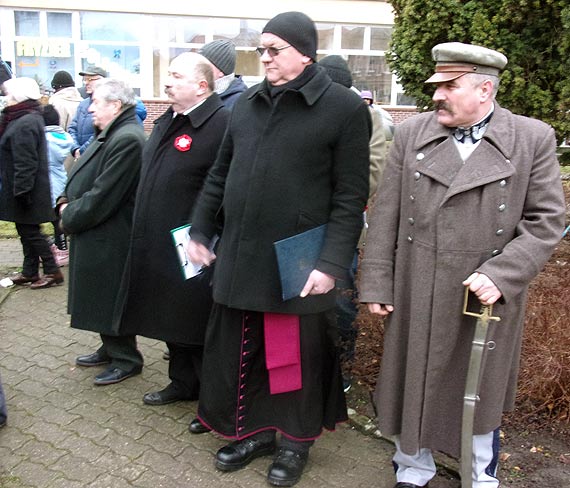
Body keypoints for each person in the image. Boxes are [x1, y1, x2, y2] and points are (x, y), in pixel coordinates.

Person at [358, 42, 566, 488]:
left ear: (485, 89)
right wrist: (377, 281)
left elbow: (548, 220)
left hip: (483, 295)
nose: (436, 95)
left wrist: (502, 274)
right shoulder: (412, 133)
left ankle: (479, 474)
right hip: (418, 283)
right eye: (437, 85)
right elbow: (386, 214)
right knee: (411, 377)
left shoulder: (531, 138)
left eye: (449, 86)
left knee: (478, 386)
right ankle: (412, 468)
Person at [187, 11, 370, 487]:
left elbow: (350, 197)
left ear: (304, 52)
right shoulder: (245, 105)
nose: (264, 58)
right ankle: (257, 431)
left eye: (274, 49)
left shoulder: (343, 109)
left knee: (291, 355)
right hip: (242, 252)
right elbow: (219, 175)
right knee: (242, 346)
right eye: (261, 50)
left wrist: (331, 264)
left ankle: (294, 441)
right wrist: (201, 231)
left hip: (298, 259)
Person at [117, 52, 229, 407]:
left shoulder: (220, 123)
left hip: (192, 244)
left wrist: (204, 232)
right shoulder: (169, 119)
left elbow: (221, 186)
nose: (167, 82)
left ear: (201, 85)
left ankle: (208, 398)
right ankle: (181, 383)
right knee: (169, 316)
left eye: (176, 76)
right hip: (157, 240)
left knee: (194, 321)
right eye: (168, 75)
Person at [58, 78, 146, 386]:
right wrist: (65, 198)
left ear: (115, 106)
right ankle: (110, 347)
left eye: (95, 102)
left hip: (111, 233)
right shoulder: (111, 133)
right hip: (99, 231)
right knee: (99, 296)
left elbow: (104, 195)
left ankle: (126, 358)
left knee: (110, 298)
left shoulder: (127, 139)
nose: (89, 108)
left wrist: (70, 215)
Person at [319, 55, 387, 392]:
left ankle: (341, 368)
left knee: (342, 301)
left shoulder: (368, 119)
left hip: (343, 229)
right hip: (302, 229)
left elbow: (370, 175)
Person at [0, 77, 64, 289]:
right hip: (23, 187)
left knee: (31, 232)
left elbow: (25, 161)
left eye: (8, 95)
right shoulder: (23, 118)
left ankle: (52, 271)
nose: (5, 99)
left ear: (19, 96)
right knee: (25, 230)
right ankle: (29, 272)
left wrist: (22, 192)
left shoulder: (24, 122)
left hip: (26, 189)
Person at [68, 67, 147, 160]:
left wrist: (82, 151)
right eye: (84, 79)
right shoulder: (83, 104)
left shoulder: (121, 108)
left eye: (90, 79)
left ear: (103, 80)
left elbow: (103, 134)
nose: (86, 83)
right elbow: (72, 128)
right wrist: (75, 149)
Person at [41, 104, 73, 267]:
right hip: (60, 176)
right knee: (57, 216)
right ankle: (62, 247)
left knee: (54, 218)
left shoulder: (45, 139)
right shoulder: (64, 137)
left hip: (49, 179)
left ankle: (61, 249)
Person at [199, 39, 248, 109]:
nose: (197, 68)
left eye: (204, 64)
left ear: (221, 72)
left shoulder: (239, 102)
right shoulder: (199, 90)